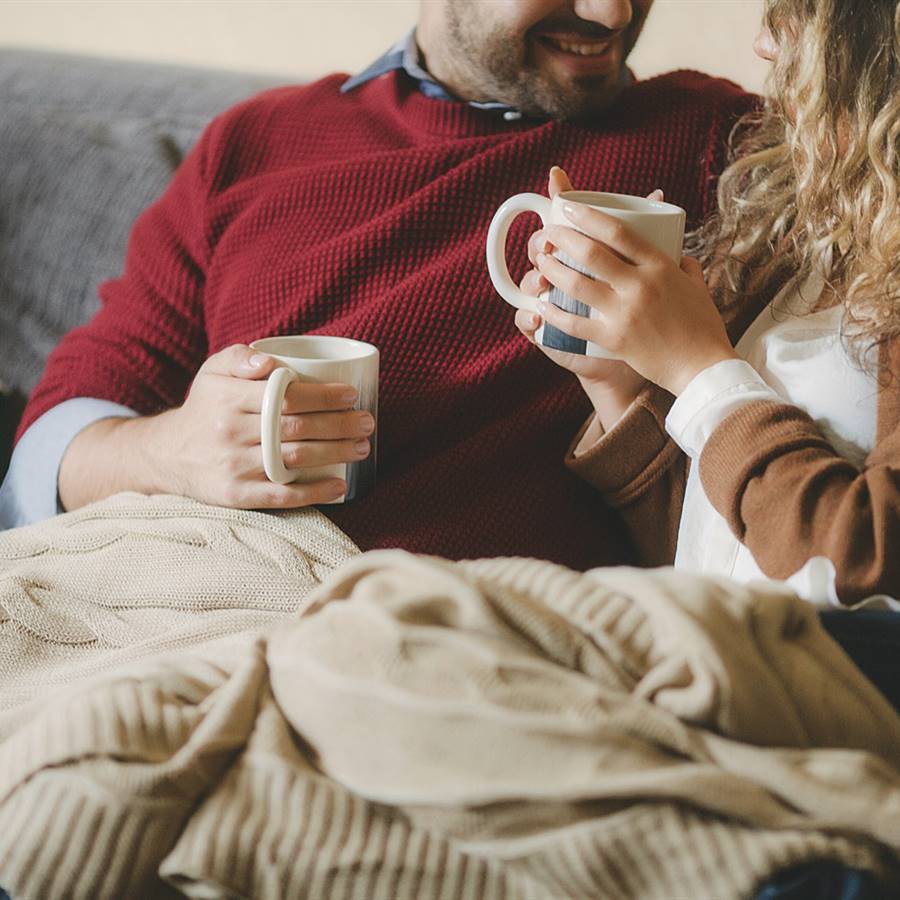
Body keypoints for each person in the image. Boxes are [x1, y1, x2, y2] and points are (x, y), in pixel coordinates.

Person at [0, 0, 755, 571]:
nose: (612, 11)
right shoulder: (253, 143)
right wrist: (172, 451)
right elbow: (51, 445)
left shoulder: (727, 150)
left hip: (475, 638)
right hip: (198, 596)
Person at [513, 0, 900, 705]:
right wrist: (620, 383)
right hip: (714, 665)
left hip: (821, 694)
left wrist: (701, 370)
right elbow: (714, 555)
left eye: (801, 18)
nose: (762, 44)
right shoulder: (812, 224)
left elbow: (867, 567)